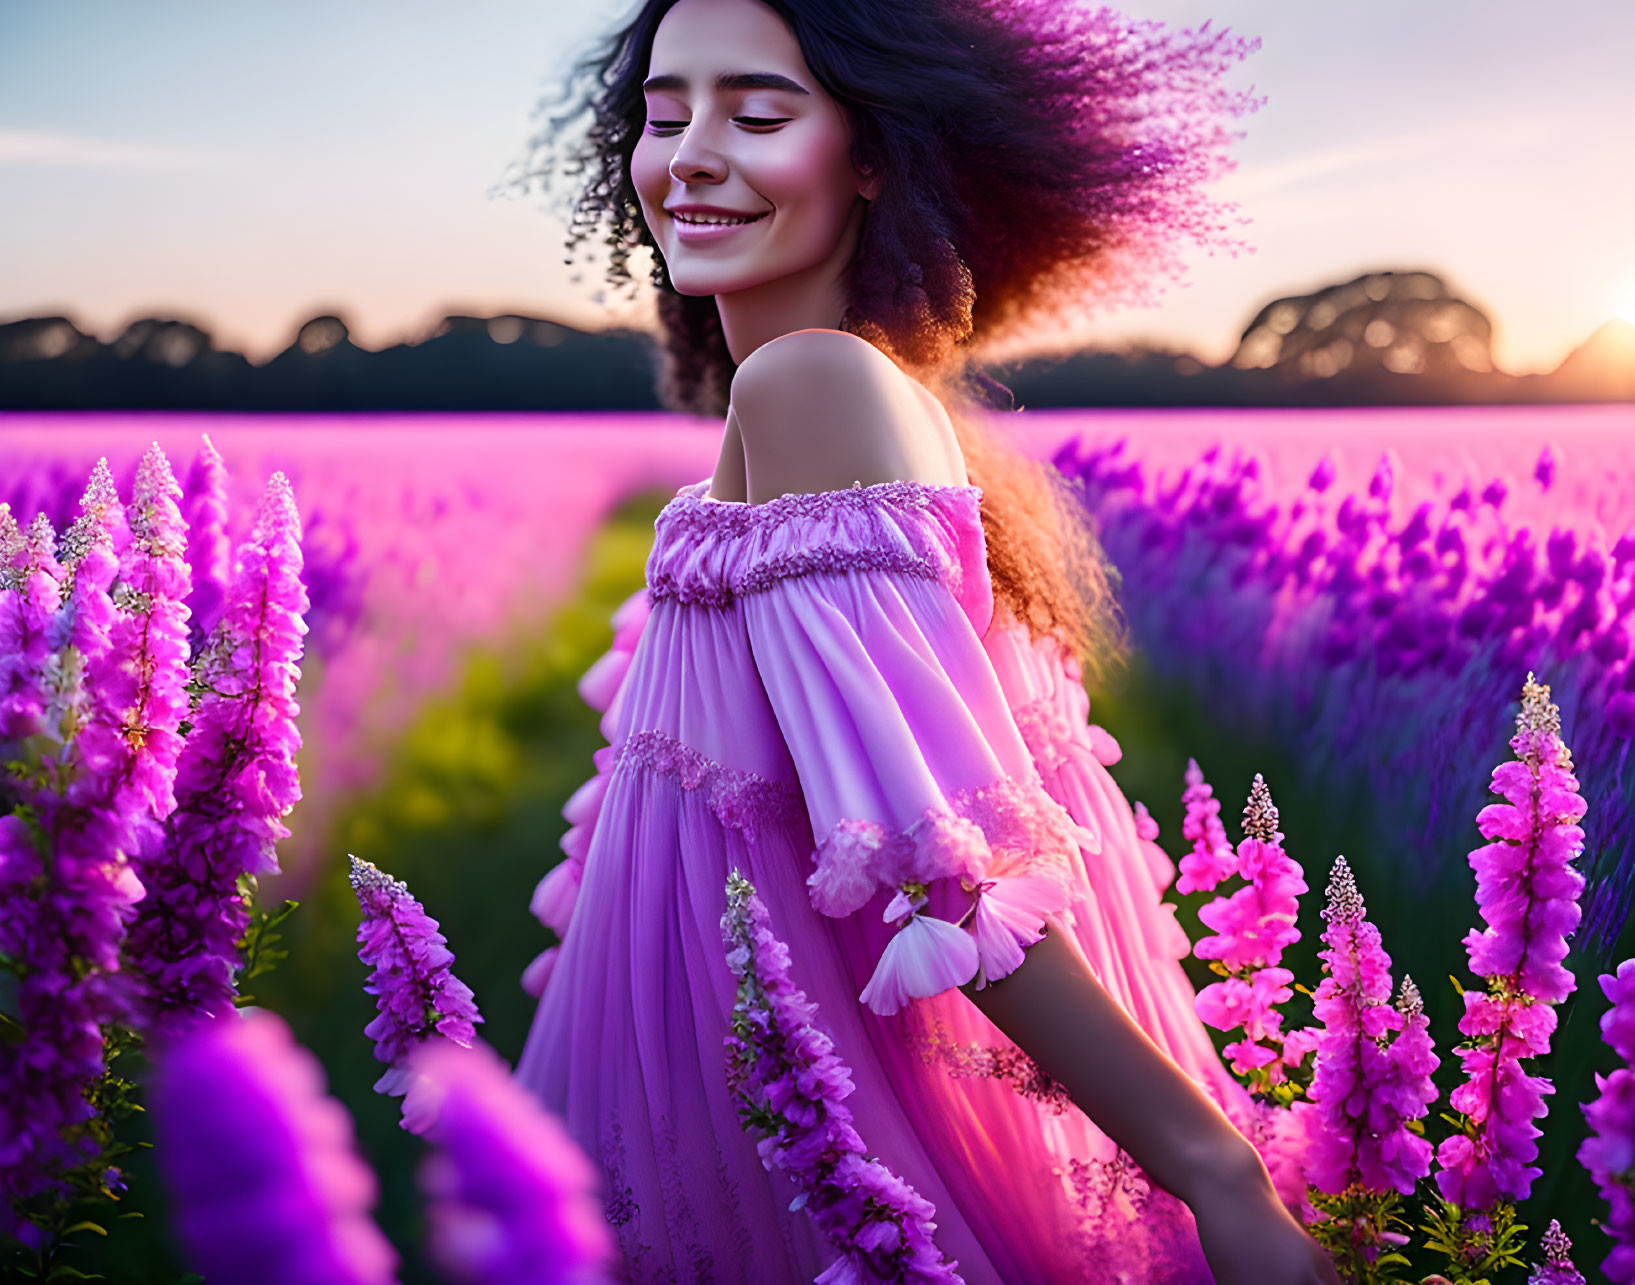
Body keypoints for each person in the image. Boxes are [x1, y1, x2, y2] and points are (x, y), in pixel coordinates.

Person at [516, 1, 1340, 1281]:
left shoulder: (809, 386)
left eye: (759, 112)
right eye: (665, 115)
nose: (689, 154)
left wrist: (1212, 1175)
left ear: (874, 154)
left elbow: (935, 854)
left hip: (818, 1116)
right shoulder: (867, 385)